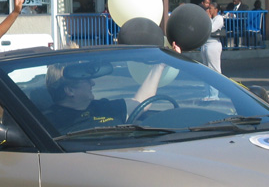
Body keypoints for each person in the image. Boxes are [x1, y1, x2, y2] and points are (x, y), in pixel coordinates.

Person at [45, 46, 180, 133]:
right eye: (86, 79)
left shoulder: (101, 106)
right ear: (69, 91)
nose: (93, 83)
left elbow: (140, 103)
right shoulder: (50, 123)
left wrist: (160, 65)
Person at [201, 3, 224, 89]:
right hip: (205, 43)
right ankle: (207, 92)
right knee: (206, 69)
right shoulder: (210, 18)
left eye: (211, 8)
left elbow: (211, 29)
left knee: (213, 69)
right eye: (208, 8)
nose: (209, 10)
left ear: (216, 9)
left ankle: (215, 93)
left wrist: (209, 18)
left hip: (213, 44)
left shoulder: (219, 18)